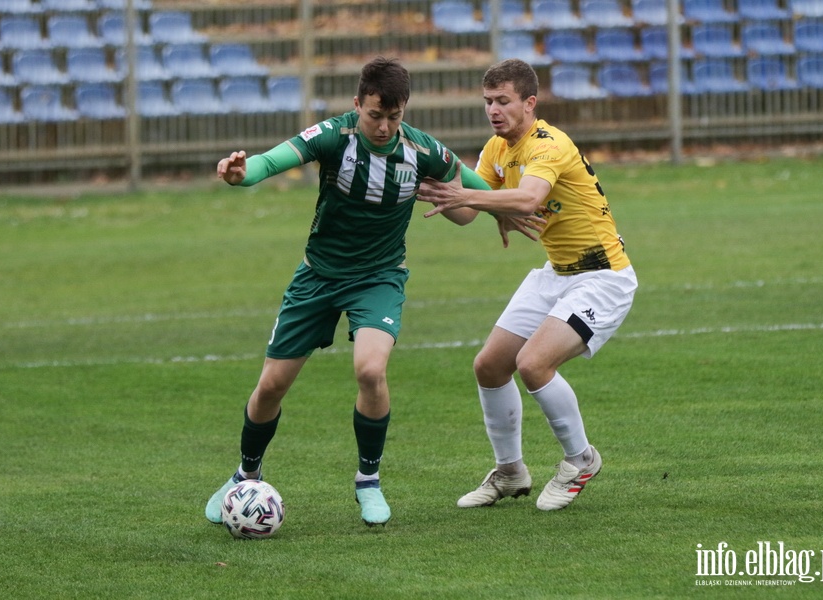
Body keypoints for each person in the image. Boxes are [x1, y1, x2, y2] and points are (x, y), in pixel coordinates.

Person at [205, 57, 534, 528]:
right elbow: (273, 160)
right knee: (272, 386)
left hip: (378, 279)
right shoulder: (333, 136)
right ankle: (245, 473)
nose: (383, 127)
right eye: (375, 115)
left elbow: (467, 179)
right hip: (317, 276)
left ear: (405, 111)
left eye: (394, 117)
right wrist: (242, 173)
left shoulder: (421, 150)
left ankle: (368, 481)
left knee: (371, 369)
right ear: (358, 104)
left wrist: (497, 207)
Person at [416, 58, 637, 511]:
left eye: (503, 101)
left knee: (534, 364)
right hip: (556, 274)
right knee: (490, 366)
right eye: (488, 102)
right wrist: (437, 184)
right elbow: (466, 212)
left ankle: (581, 460)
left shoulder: (549, 144)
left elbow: (530, 197)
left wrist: (480, 198)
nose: (493, 110)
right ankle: (510, 472)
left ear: (529, 103)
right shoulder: (497, 149)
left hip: (602, 276)